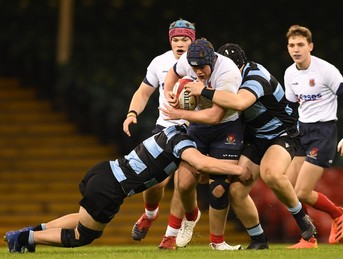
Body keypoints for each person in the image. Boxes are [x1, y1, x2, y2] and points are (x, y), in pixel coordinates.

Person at [4, 124, 253, 253]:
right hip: (110, 188)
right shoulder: (182, 141)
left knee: (82, 218)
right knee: (83, 237)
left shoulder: (172, 131)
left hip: (102, 171)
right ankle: (26, 238)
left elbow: (196, 171)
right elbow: (200, 162)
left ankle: (30, 231)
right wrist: (238, 170)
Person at [185, 43, 317, 249]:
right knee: (237, 190)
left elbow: (239, 103)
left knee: (271, 173)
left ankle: (302, 219)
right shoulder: (223, 77)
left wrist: (203, 91)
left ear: (240, 66)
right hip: (255, 137)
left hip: (282, 133)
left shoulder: (256, 76)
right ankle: (258, 240)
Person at [160, 38, 244, 250]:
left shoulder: (228, 74)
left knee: (218, 188)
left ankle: (218, 242)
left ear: (213, 61)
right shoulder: (190, 61)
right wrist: (169, 91)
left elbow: (216, 116)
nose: (198, 72)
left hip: (226, 128)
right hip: (197, 127)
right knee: (184, 182)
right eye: (194, 68)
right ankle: (191, 216)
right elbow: (172, 73)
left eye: (202, 68)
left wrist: (179, 113)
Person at [122, 18, 196, 249]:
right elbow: (144, 92)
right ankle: (150, 215)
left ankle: (171, 236)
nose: (180, 43)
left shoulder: (202, 62)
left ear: (192, 41)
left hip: (195, 129)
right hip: (165, 128)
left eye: (185, 39)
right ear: (170, 41)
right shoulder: (160, 62)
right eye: (176, 39)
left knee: (183, 184)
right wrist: (132, 112)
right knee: (153, 183)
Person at [283, 25, 343, 247]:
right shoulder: (290, 73)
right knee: (287, 187)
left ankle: (337, 214)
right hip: (302, 131)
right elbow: (290, 106)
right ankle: (308, 238)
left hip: (323, 132)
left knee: (302, 192)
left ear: (310, 46)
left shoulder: (326, 70)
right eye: (291, 45)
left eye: (300, 45)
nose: (296, 49)